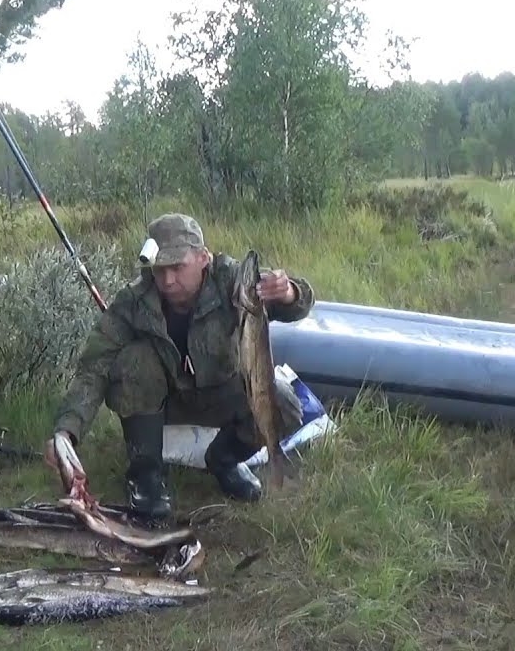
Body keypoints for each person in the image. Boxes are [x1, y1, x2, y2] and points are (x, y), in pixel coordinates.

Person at [43, 212, 314, 520]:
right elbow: (93, 367)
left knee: (285, 403)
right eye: (160, 270)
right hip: (161, 405)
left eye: (177, 267)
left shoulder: (232, 279)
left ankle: (224, 460)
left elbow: (295, 305)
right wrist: (66, 432)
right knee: (134, 361)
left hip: (223, 394)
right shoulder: (134, 300)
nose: (168, 280)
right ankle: (145, 476)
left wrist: (289, 291)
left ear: (203, 257)